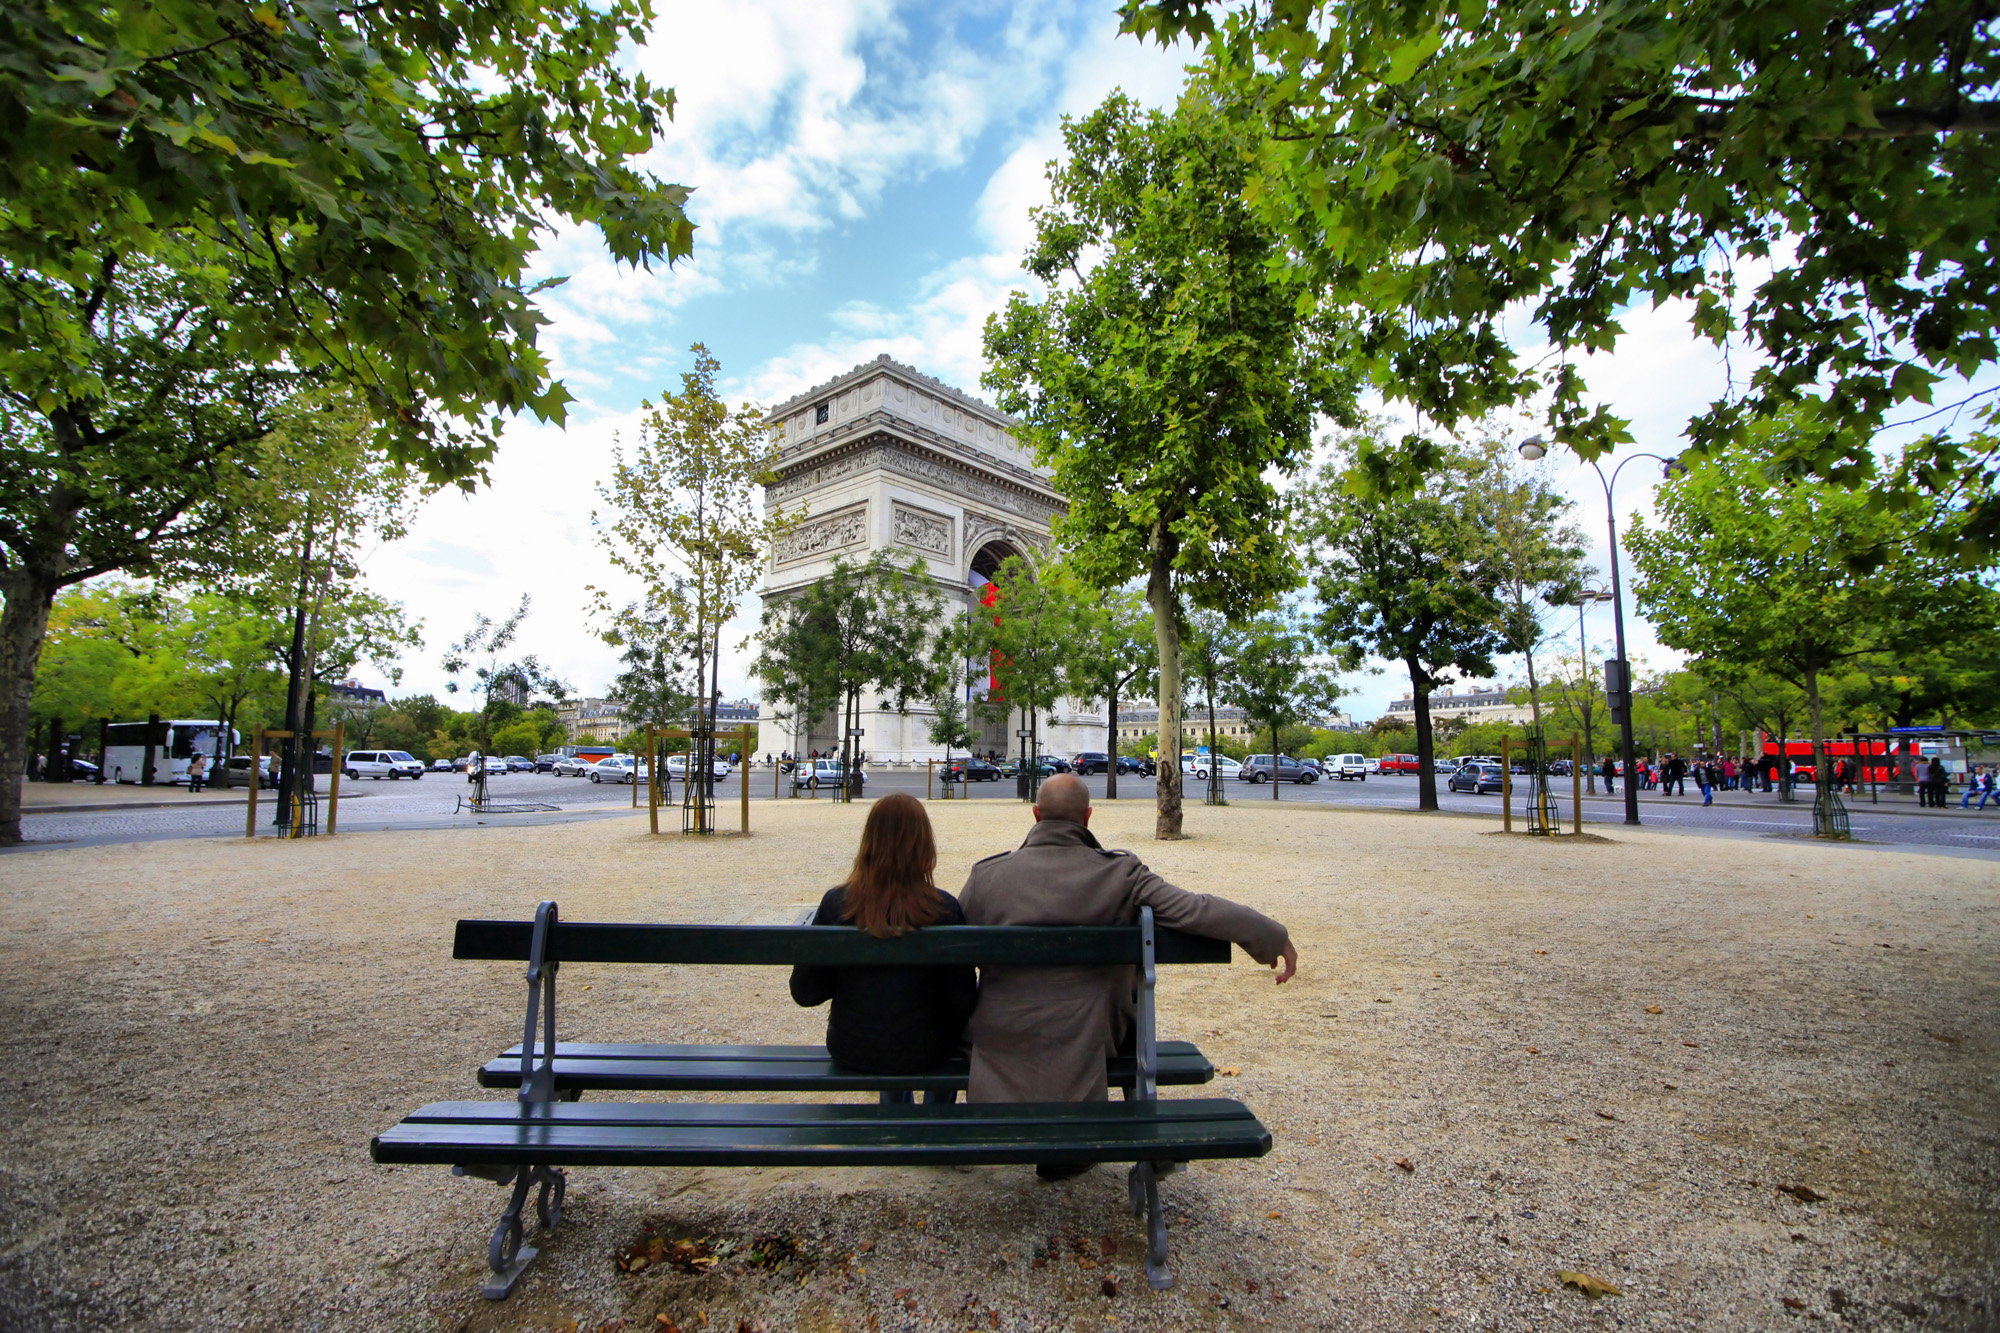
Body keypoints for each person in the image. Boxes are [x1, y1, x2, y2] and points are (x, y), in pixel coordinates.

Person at [955, 774, 1297, 1177]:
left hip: (1002, 1034)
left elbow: (952, 953)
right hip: (1094, 1034)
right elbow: (1194, 910)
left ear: (1035, 815)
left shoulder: (988, 876)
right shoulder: (1120, 874)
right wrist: (1272, 936)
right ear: (1087, 817)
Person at [790, 794, 977, 1105]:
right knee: (946, 1032)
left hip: (855, 1047)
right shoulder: (943, 908)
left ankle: (895, 1111)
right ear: (925, 845)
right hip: (928, 1050)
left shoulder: (837, 904)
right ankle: (936, 1118)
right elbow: (962, 1002)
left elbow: (805, 992)